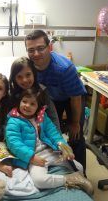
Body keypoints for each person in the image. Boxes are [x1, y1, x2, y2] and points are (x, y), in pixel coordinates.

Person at [5, 88, 93, 195]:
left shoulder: (42, 117)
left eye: (32, 104)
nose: (27, 105)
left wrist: (63, 147)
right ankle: (69, 179)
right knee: (39, 180)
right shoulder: (14, 121)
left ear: (38, 107)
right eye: (24, 101)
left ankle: (81, 184)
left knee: (79, 166)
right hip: (35, 156)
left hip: (50, 151)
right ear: (19, 102)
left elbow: (53, 133)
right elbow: (14, 144)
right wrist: (31, 158)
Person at [24, 29, 87, 171]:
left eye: (41, 48)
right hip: (51, 100)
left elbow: (75, 98)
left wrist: (75, 122)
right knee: (52, 133)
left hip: (72, 98)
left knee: (75, 135)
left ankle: (81, 172)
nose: (36, 54)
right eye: (31, 50)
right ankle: (60, 167)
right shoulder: (29, 67)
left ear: (50, 47)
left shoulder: (64, 68)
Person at [9, 56, 60, 131]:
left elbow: (53, 116)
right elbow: (8, 121)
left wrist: (58, 139)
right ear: (14, 78)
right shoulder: (12, 94)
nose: (25, 80)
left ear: (34, 73)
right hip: (19, 135)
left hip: (42, 134)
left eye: (28, 75)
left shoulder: (42, 91)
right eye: (19, 77)